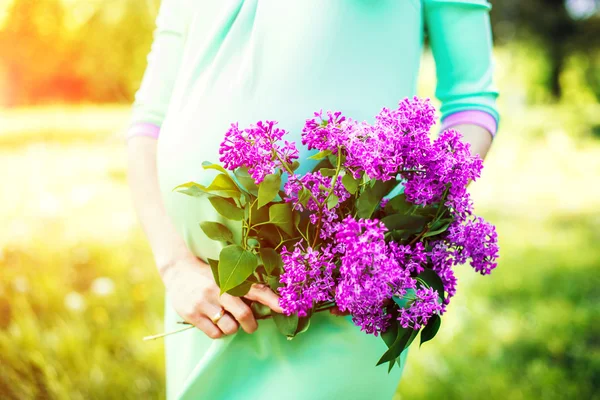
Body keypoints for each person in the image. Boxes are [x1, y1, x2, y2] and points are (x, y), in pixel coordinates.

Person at [125, 1, 499, 399]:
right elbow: (150, 119)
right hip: (202, 294)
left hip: (342, 290)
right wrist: (174, 265)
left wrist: (394, 232)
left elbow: (471, 100)